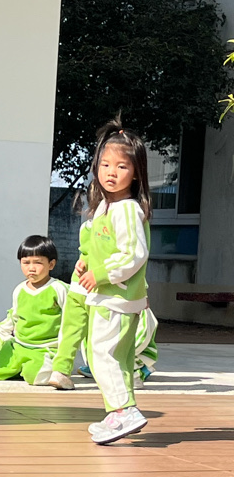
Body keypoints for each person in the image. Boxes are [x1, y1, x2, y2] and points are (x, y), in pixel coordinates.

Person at [78, 119, 152, 444]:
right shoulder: (106, 208)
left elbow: (134, 254)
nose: (111, 172)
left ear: (136, 173)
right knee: (113, 356)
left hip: (116, 297)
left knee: (102, 354)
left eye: (122, 166)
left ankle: (123, 410)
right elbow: (102, 246)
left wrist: (101, 274)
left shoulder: (127, 210)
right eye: (105, 164)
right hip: (111, 297)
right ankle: (118, 411)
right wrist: (86, 261)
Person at [49, 219, 158, 391]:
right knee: (112, 337)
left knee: (71, 331)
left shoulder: (87, 224)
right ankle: (129, 375)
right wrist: (141, 292)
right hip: (105, 290)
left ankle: (61, 371)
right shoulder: (124, 219)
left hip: (80, 285)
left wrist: (83, 261)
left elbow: (85, 253)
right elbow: (130, 260)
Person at [0, 235, 68, 386]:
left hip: (45, 349)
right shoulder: (19, 290)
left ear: (51, 264)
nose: (31, 268)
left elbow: (72, 321)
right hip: (19, 346)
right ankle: (20, 366)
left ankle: (26, 368)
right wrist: (2, 332)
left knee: (37, 377)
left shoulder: (59, 289)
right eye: (26, 263)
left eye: (38, 262)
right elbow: (14, 317)